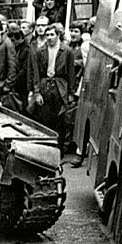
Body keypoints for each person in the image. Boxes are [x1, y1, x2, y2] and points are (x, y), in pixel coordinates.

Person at [30, 24, 76, 152]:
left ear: (58, 35)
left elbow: (71, 73)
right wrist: (37, 92)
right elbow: (36, 73)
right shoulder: (40, 51)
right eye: (47, 35)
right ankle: (47, 149)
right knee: (45, 119)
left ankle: (59, 150)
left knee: (60, 121)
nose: (49, 38)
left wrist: (71, 93)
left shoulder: (66, 51)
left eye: (52, 35)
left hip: (60, 87)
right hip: (45, 86)